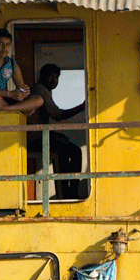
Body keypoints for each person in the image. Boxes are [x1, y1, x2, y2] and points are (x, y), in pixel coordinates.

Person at [29, 64, 86, 200]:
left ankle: (68, 192)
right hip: (33, 139)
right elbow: (58, 115)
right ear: (42, 76)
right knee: (73, 151)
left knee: (68, 149)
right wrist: (81, 107)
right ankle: (69, 194)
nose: (54, 80)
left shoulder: (43, 90)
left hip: (38, 135)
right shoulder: (40, 90)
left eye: (57, 77)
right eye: (51, 76)